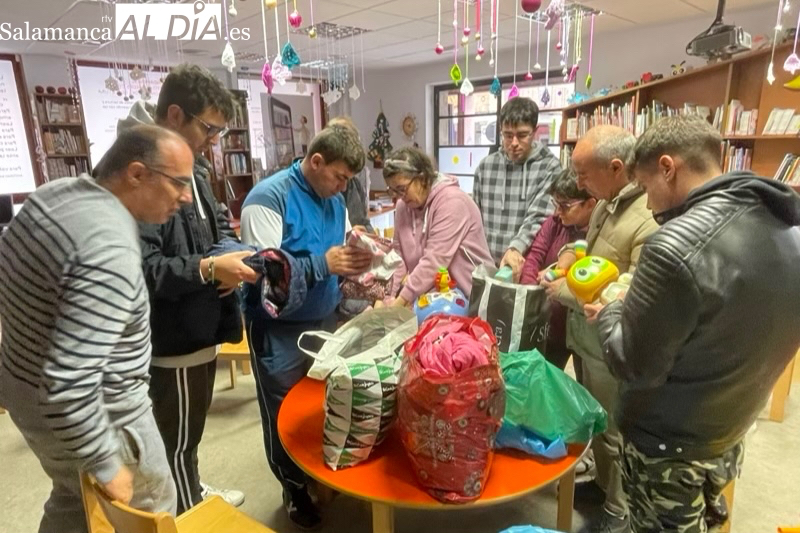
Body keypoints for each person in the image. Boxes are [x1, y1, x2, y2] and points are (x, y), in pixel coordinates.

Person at [589, 116, 800, 533]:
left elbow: (631, 363)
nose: (649, 205)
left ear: (667, 167)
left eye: (645, 187)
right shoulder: (786, 226)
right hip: (730, 426)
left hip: (668, 443)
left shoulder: (674, 246)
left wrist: (611, 309)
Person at [0, 125, 193, 533]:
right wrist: (105, 461)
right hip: (108, 418)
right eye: (178, 182)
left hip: (28, 400)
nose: (186, 196)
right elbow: (69, 383)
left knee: (74, 499)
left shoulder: (54, 194)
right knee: (150, 514)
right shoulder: (110, 248)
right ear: (137, 173)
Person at [117, 64, 257, 513]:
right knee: (174, 439)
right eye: (208, 129)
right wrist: (209, 268)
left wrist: (232, 256)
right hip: (171, 336)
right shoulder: (141, 174)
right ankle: (186, 511)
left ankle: (190, 489)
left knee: (187, 435)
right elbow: (145, 269)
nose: (213, 140)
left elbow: (218, 227)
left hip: (201, 325)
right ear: (175, 115)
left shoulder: (191, 166)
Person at [240, 124, 373, 529]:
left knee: (321, 404)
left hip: (324, 320)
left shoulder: (335, 198)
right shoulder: (267, 198)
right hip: (278, 330)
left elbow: (341, 249)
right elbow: (262, 275)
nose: (344, 186)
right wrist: (323, 264)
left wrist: (359, 254)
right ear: (316, 161)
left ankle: (317, 476)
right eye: (339, 176)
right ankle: (293, 488)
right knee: (282, 413)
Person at [541, 125, 658, 533]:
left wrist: (564, 291)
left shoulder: (647, 217)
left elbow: (631, 294)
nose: (579, 184)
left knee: (614, 431)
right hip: (589, 341)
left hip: (613, 346)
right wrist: (568, 254)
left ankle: (619, 509)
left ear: (616, 167)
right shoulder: (608, 205)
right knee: (597, 422)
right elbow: (591, 254)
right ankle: (605, 487)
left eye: (583, 174)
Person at [383, 147, 494, 306]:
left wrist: (401, 301)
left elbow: (434, 260)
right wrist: (387, 297)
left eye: (402, 189)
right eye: (393, 191)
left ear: (422, 178)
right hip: (435, 298)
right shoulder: (403, 206)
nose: (400, 196)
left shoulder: (452, 202)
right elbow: (398, 257)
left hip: (472, 298)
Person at [473, 96, 562, 280]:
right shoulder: (485, 167)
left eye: (522, 135)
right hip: (488, 267)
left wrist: (515, 248)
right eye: (507, 135)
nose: (513, 143)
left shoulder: (550, 167)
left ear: (535, 131)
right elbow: (475, 218)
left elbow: (539, 217)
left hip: (526, 269)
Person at [519, 169, 596, 375]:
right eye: (555, 203)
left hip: (581, 325)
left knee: (582, 383)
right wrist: (530, 294)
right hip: (550, 323)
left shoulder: (599, 233)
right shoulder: (554, 223)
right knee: (545, 376)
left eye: (565, 206)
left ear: (590, 204)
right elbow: (534, 256)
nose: (557, 212)